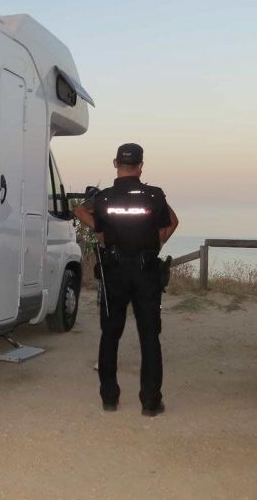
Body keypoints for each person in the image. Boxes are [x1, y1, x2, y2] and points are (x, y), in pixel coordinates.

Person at [74, 143, 178, 417]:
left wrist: (101, 234)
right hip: (146, 272)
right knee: (150, 337)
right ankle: (150, 403)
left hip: (114, 272)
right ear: (141, 166)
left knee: (110, 335)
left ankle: (109, 399)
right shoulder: (154, 195)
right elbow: (173, 221)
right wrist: (157, 242)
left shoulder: (104, 198)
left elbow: (79, 211)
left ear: (115, 163)